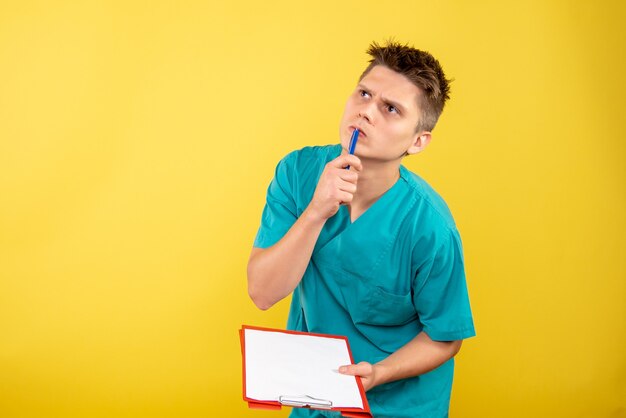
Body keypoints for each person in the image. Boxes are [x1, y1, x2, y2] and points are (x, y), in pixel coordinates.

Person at [247, 41, 475, 418]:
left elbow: (445, 337)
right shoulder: (297, 174)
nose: (366, 111)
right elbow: (262, 292)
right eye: (365, 93)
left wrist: (380, 373)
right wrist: (317, 211)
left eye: (390, 109)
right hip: (316, 392)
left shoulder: (430, 226)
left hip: (398, 404)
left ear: (418, 141)